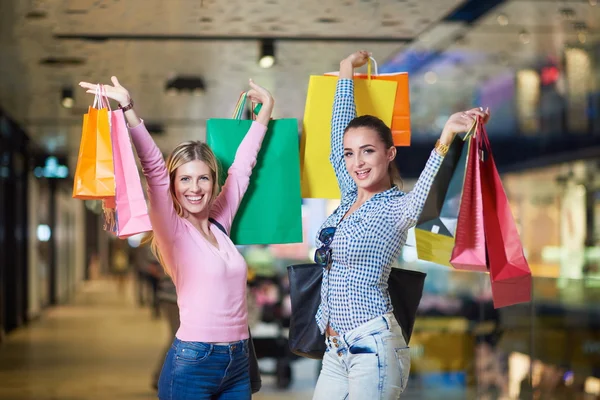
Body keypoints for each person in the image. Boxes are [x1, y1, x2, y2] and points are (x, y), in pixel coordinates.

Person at [79, 76, 274, 400]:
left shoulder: (219, 224)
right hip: (194, 363)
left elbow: (242, 168)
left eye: (202, 179)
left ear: (213, 183)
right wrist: (128, 108)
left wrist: (266, 111)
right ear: (173, 185)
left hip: (238, 361)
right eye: (184, 179)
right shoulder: (171, 230)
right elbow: (154, 167)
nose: (194, 188)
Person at [311, 51, 490, 400]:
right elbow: (337, 139)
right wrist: (346, 72)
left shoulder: (396, 207)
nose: (357, 162)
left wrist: (447, 136)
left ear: (389, 154)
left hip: (374, 348)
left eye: (368, 152)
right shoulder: (348, 196)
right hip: (335, 350)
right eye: (351, 153)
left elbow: (425, 191)